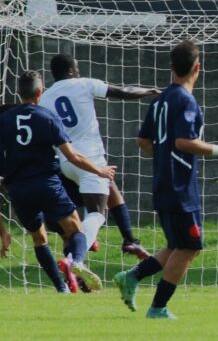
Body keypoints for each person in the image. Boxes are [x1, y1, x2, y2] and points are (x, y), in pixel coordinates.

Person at [114, 40, 218, 319]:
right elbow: (184, 141)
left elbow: (142, 140)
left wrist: (163, 158)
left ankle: (132, 277)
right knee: (189, 247)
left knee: (178, 245)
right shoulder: (185, 100)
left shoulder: (161, 98)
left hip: (165, 182)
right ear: (198, 68)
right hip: (179, 187)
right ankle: (158, 308)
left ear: (171, 66)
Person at [0, 70, 116, 292]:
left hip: (18, 189)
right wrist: (99, 170)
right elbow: (73, 156)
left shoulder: (4, 120)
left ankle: (61, 288)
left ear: (18, 92)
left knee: (39, 239)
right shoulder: (47, 116)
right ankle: (76, 262)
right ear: (39, 92)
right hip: (47, 184)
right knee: (76, 231)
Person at [40, 54, 158, 261]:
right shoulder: (84, 84)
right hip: (89, 160)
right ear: (70, 71)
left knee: (109, 185)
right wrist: (150, 91)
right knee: (96, 215)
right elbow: (122, 91)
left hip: (66, 162)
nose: (78, 72)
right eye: (76, 68)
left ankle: (129, 239)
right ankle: (73, 260)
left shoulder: (46, 98)